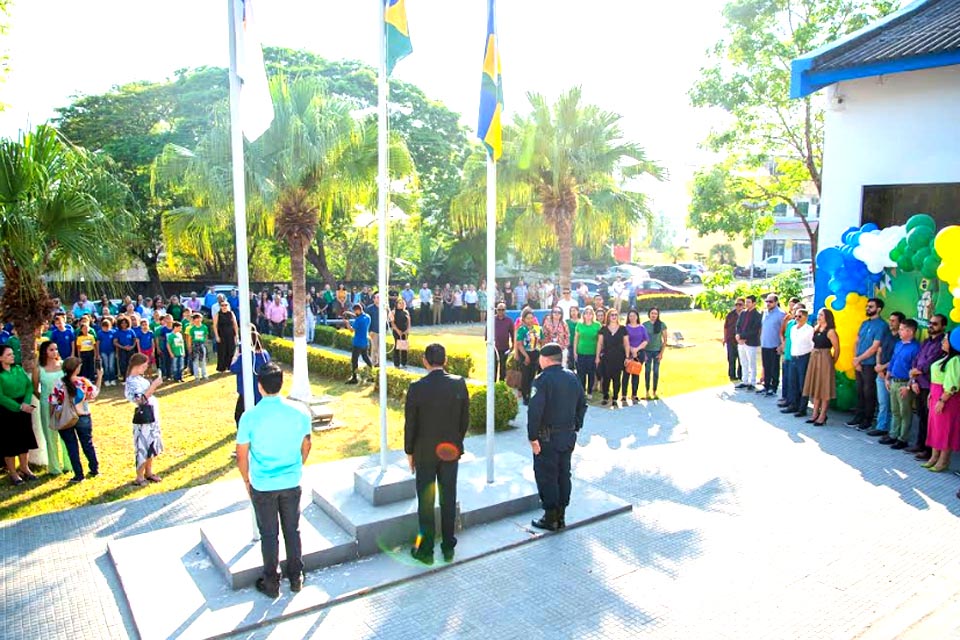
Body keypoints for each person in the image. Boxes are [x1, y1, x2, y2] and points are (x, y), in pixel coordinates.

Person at [236, 362, 312, 598]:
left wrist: (247, 480)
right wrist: (298, 465)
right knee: (293, 530)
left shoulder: (250, 417)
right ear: (281, 384)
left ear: (260, 387)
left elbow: (241, 455)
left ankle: (272, 583)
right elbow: (307, 444)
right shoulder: (300, 412)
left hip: (263, 484)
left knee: (269, 535)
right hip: (290, 480)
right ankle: (296, 577)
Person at [404, 343, 469, 564]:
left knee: (426, 501)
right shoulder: (459, 384)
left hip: (424, 452)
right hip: (450, 451)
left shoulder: (417, 387)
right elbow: (464, 420)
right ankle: (448, 545)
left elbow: (410, 424)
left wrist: (409, 452)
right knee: (448, 497)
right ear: (445, 360)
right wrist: (456, 441)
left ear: (425, 361)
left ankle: (426, 550)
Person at [527, 343, 588, 531]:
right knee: (564, 474)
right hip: (567, 435)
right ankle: (561, 516)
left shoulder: (542, 380)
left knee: (547, 476)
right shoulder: (573, 377)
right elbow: (582, 404)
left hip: (547, 438)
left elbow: (535, 411)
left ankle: (550, 517)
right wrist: (576, 427)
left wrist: (533, 437)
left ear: (545, 359)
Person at [49, 355, 102, 484]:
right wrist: (99, 376)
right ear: (76, 368)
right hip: (83, 416)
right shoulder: (83, 382)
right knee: (87, 443)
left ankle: (78, 475)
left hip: (66, 418)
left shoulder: (59, 383)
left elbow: (53, 401)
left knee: (71, 447)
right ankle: (94, 469)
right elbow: (93, 394)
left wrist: (52, 416)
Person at [908, 314, 948, 460]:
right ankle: (920, 444)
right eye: (930, 323)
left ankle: (929, 450)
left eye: (935, 324)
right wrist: (913, 379)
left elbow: (931, 363)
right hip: (919, 384)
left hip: (930, 386)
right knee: (921, 416)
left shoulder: (941, 343)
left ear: (943, 326)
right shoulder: (926, 341)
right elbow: (916, 359)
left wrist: (916, 371)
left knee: (930, 419)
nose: (931, 326)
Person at [921, 329, 960, 473]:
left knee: (945, 429)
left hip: (946, 398)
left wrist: (943, 400)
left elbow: (952, 383)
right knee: (935, 427)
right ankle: (934, 456)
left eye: (945, 340)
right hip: (935, 394)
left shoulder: (955, 360)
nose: (943, 342)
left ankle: (943, 460)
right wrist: (931, 394)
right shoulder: (945, 357)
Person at [847, 298, 887, 431]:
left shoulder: (881, 325)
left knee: (869, 392)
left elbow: (875, 347)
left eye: (870, 307)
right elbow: (856, 342)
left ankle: (868, 420)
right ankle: (859, 416)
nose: (867, 309)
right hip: (859, 362)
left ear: (879, 309)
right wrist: (855, 359)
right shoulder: (864, 323)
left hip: (869, 364)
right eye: (867, 306)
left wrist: (859, 359)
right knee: (860, 391)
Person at [879, 319, 920, 450]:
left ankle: (903, 439)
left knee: (905, 412)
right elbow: (893, 361)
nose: (900, 331)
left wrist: (908, 386)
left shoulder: (916, 348)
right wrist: (887, 377)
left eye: (902, 329)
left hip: (904, 383)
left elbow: (915, 368)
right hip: (893, 381)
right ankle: (893, 435)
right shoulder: (898, 344)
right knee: (895, 410)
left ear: (910, 331)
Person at [0, 344, 38, 485]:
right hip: (7, 410)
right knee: (10, 441)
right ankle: (13, 473)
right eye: (9, 354)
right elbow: (1, 396)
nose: (12, 356)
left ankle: (24, 467)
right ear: (0, 358)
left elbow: (28, 386)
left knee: (24, 438)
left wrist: (26, 403)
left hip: (24, 407)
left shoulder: (18, 368)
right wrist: (18, 406)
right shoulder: (0, 374)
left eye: (12, 354)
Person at [33, 341, 72, 475]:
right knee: (50, 436)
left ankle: (69, 464)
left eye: (56, 349)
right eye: (51, 350)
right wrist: (45, 400)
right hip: (46, 405)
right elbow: (35, 389)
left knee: (66, 435)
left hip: (64, 404)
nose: (54, 352)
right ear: (44, 352)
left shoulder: (63, 366)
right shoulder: (39, 369)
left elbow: (70, 383)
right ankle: (54, 467)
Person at [124, 353, 164, 486]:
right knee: (142, 446)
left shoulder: (140, 379)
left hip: (151, 416)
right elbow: (140, 399)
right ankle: (139, 476)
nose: (146, 368)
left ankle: (149, 472)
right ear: (137, 365)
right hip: (143, 418)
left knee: (151, 444)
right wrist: (154, 386)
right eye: (144, 365)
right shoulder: (131, 382)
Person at [803, 308, 840, 426]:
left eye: (821, 315)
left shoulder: (831, 331)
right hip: (814, 357)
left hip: (825, 358)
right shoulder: (816, 328)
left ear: (827, 317)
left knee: (824, 388)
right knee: (815, 386)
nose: (819, 317)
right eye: (818, 314)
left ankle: (823, 415)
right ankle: (814, 413)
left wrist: (831, 361)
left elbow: (837, 348)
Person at [870, 312, 905, 437]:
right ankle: (881, 427)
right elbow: (879, 350)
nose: (890, 323)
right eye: (890, 320)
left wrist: (883, 368)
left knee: (893, 406)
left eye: (894, 321)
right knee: (883, 403)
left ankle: (892, 431)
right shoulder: (886, 334)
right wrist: (879, 367)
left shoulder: (901, 340)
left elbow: (896, 358)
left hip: (892, 374)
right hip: (881, 374)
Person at [230, 329, 272, 427]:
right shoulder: (264, 354)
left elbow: (233, 368)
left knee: (239, 415)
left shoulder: (245, 356)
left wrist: (236, 355)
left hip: (246, 390)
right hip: (261, 389)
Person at [782, 307, 813, 417]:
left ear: (805, 317)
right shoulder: (793, 328)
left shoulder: (809, 329)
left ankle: (802, 408)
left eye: (800, 316)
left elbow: (810, 344)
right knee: (793, 382)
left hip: (804, 358)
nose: (797, 318)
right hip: (793, 357)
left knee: (802, 384)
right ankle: (793, 405)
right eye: (796, 316)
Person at [596, 309, 629, 407]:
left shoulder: (623, 329)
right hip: (606, 357)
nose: (614, 317)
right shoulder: (603, 329)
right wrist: (597, 356)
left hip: (619, 357)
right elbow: (599, 343)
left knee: (617, 379)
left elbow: (626, 344)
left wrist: (627, 357)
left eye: (615, 315)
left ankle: (615, 398)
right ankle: (605, 397)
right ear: (608, 317)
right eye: (612, 315)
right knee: (606, 378)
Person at [515, 310, 543, 405]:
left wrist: (539, 342)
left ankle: (531, 393)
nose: (530, 320)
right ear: (524, 319)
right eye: (528, 318)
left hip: (535, 353)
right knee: (525, 375)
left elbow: (542, 342)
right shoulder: (522, 329)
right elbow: (519, 344)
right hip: (525, 353)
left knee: (532, 375)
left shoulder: (537, 329)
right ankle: (525, 395)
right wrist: (525, 356)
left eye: (531, 318)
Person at [758, 295, 785, 396]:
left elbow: (783, 330)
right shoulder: (765, 313)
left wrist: (781, 345)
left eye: (771, 301)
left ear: (776, 302)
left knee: (774, 367)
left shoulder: (781, 314)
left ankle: (773, 387)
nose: (768, 303)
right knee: (766, 366)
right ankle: (766, 386)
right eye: (767, 301)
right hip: (765, 344)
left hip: (775, 345)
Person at [622, 309, 650, 404]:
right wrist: (631, 349)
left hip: (639, 354)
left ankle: (634, 394)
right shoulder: (625, 328)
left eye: (634, 315)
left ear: (637, 316)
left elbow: (646, 340)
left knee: (635, 374)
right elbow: (624, 341)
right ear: (628, 317)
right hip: (627, 353)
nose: (632, 317)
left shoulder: (642, 328)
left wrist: (636, 349)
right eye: (630, 316)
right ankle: (624, 395)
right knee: (626, 374)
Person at [735, 295, 762, 390]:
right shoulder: (743, 313)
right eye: (746, 302)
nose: (746, 304)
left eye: (749, 302)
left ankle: (752, 382)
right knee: (743, 361)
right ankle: (745, 380)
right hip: (741, 342)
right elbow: (738, 325)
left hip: (751, 342)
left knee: (752, 362)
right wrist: (738, 335)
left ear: (754, 303)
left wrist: (743, 337)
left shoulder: (758, 315)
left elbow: (755, 330)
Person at [574, 306, 600, 398]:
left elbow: (599, 342)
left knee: (591, 373)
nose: (588, 315)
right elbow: (576, 339)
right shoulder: (579, 325)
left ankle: (589, 392)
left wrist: (597, 356)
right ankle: (582, 391)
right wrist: (575, 352)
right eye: (586, 313)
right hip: (581, 353)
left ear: (593, 315)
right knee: (581, 374)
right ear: (583, 315)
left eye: (590, 313)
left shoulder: (597, 325)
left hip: (592, 353)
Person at [642, 308, 668, 400]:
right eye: (652, 313)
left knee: (656, 372)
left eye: (655, 314)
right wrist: (643, 353)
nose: (653, 315)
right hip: (647, 352)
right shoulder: (644, 325)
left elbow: (665, 340)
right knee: (647, 371)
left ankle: (654, 391)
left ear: (658, 315)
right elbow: (642, 340)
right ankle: (647, 391)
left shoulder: (661, 325)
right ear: (649, 314)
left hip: (657, 351)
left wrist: (661, 353)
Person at [347, 303, 373, 384]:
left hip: (357, 342)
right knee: (366, 358)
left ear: (357, 310)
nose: (354, 313)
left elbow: (351, 330)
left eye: (355, 311)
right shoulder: (368, 317)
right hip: (365, 341)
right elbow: (360, 317)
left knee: (354, 360)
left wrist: (347, 323)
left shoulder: (358, 320)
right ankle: (372, 375)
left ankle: (354, 378)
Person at [213, 299, 239, 373]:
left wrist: (236, 335)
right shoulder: (218, 314)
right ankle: (221, 368)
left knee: (231, 351)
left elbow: (235, 324)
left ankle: (229, 366)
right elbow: (215, 326)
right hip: (222, 335)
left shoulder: (231, 313)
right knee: (222, 351)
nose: (224, 307)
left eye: (225, 305)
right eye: (222, 305)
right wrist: (217, 336)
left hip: (231, 335)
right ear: (220, 306)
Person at [492, 303, 514, 382]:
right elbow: (487, 332)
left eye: (503, 310)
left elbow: (512, 333)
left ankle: (501, 383)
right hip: (494, 347)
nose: (501, 311)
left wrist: (513, 345)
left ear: (505, 310)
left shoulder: (509, 321)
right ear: (496, 310)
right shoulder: (492, 320)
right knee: (493, 367)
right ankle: (493, 383)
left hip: (505, 348)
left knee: (503, 367)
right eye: (499, 310)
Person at [723, 298, 743, 382]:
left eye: (740, 304)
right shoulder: (730, 314)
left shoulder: (745, 315)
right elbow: (726, 327)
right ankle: (732, 375)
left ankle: (741, 375)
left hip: (741, 340)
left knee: (741, 359)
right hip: (731, 339)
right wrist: (725, 338)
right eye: (736, 304)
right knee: (731, 358)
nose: (738, 306)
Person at [390, 298, 411, 368]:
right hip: (396, 331)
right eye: (400, 303)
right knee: (397, 348)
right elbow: (392, 323)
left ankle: (404, 363)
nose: (401, 304)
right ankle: (396, 364)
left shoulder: (406, 312)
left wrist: (407, 329)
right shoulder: (393, 312)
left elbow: (409, 322)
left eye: (402, 303)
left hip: (405, 332)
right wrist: (397, 330)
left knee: (404, 348)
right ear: (396, 304)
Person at [366, 293, 381, 367]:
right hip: (373, 331)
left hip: (382, 331)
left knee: (381, 348)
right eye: (377, 297)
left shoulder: (383, 308)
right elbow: (367, 320)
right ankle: (374, 362)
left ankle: (380, 362)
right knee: (374, 347)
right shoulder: (369, 308)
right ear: (374, 299)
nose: (378, 299)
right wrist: (369, 331)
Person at [565, 306, 580, 372]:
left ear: (578, 311)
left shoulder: (581, 322)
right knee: (570, 362)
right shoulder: (567, 322)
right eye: (571, 311)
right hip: (570, 344)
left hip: (579, 344)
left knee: (578, 363)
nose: (573, 312)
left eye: (575, 310)